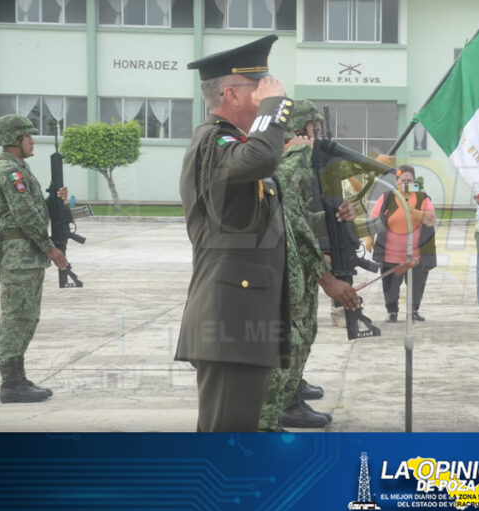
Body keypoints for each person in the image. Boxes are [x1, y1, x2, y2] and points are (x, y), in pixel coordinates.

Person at [177, 36, 334, 432]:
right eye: (259, 86)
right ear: (230, 93)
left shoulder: (238, 148)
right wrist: (275, 106)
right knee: (226, 441)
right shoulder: (214, 142)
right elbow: (264, 156)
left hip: (245, 320)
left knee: (235, 440)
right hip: (229, 320)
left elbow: (271, 221)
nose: (270, 91)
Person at [257, 99, 359, 432]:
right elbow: (293, 224)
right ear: (302, 131)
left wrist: (335, 217)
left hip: (297, 272)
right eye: (316, 129)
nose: (320, 136)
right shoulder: (288, 165)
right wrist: (327, 278)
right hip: (283, 274)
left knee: (301, 338)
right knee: (285, 350)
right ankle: (269, 423)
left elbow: (300, 217)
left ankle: (283, 406)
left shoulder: (294, 165)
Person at [0, 114, 70, 403]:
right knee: (16, 316)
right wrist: (50, 247)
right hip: (20, 256)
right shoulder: (11, 172)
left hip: (27, 255)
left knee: (27, 316)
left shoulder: (19, 168)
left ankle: (18, 378)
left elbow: (32, 210)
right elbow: (23, 215)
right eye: (28, 136)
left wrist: (53, 201)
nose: (32, 141)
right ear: (14, 140)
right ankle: (11, 383)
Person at [371, 165, 437, 322]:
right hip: (391, 254)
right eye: (403, 180)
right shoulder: (387, 197)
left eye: (410, 180)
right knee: (391, 285)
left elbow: (431, 219)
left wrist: (413, 211)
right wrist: (369, 239)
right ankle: (392, 312)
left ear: (414, 181)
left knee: (417, 284)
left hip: (416, 254)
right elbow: (374, 219)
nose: (406, 183)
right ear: (397, 181)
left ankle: (413, 311)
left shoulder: (422, 197)